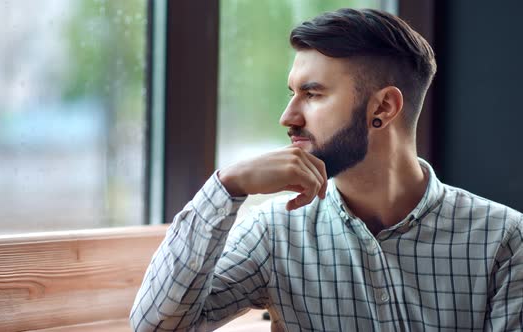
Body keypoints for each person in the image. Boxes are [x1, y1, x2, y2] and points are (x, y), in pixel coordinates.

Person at [130, 8, 523, 331]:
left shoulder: (503, 241)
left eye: (313, 94)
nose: (288, 117)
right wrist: (227, 185)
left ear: (383, 108)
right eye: (292, 93)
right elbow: (155, 327)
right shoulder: (274, 232)